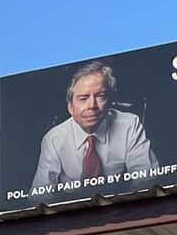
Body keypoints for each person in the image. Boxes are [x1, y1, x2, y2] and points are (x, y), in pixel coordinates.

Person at [31, 63, 157, 194]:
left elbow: (146, 178)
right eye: (83, 98)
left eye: (100, 96)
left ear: (110, 100)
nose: (92, 105)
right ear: (70, 107)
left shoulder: (130, 125)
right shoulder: (53, 139)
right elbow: (40, 194)